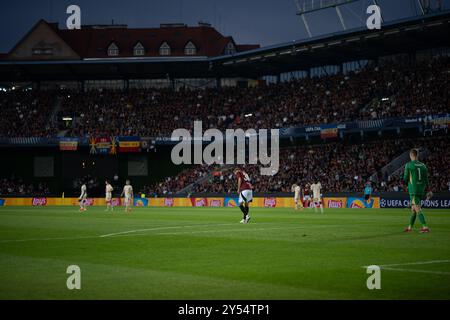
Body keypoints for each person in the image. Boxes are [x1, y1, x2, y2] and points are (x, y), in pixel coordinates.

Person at [404, 149, 430, 233]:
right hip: (421, 190)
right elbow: (426, 179)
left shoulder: (408, 165)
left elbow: (405, 178)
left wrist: (405, 183)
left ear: (411, 155)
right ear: (417, 155)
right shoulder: (423, 165)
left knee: (417, 209)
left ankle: (425, 227)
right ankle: (409, 227)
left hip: (413, 190)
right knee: (413, 210)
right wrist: (428, 190)